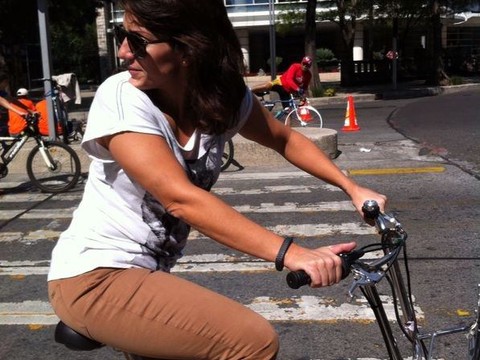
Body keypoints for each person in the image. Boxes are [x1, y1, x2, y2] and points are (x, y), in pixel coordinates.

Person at [47, 1, 386, 359]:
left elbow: (283, 139)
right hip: (95, 277)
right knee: (252, 342)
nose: (123, 51)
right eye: (122, 36)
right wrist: (293, 254)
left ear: (188, 48)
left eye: (138, 40)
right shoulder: (122, 97)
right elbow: (180, 198)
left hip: (146, 274)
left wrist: (351, 187)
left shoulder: (221, 97)